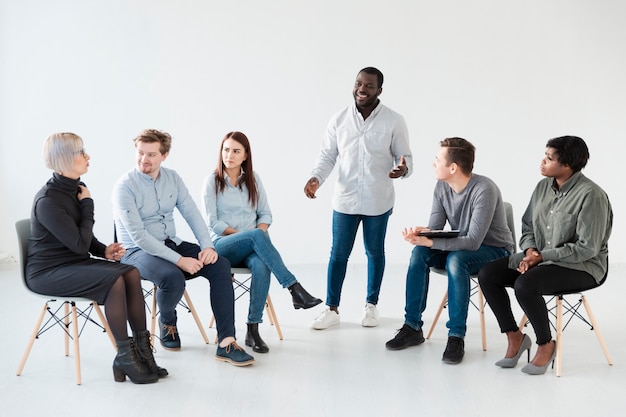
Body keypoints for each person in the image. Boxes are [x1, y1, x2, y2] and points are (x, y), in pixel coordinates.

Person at [26, 132, 166, 384]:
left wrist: (103, 250)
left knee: (130, 272)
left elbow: (78, 238)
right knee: (115, 281)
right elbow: (79, 245)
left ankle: (143, 352)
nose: (87, 156)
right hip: (47, 273)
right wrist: (88, 204)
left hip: (73, 263)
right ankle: (125, 355)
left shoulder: (74, 190)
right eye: (81, 152)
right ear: (65, 158)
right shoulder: (49, 200)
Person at [112, 128, 254, 366]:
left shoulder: (173, 178)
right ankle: (167, 321)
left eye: (151, 155)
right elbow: (138, 236)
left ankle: (226, 341)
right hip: (136, 252)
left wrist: (207, 246)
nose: (144, 160)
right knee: (172, 277)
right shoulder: (124, 186)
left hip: (170, 242)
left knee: (220, 265)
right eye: (140, 153)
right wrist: (180, 261)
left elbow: (192, 214)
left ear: (164, 156)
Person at [478, 135, 612, 375]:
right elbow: (528, 224)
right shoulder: (543, 187)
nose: (543, 161)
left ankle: (545, 344)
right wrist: (530, 251)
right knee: (488, 274)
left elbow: (587, 248)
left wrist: (541, 257)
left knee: (525, 284)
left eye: (549, 158)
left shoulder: (592, 196)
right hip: (540, 258)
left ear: (567, 165)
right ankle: (515, 337)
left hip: (582, 266)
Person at [385, 137, 514, 364]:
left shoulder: (485, 189)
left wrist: (432, 243)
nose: (434, 164)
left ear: (453, 167)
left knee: (456, 261)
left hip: (495, 251)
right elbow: (436, 228)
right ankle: (412, 326)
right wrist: (422, 234)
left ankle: (456, 336)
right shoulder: (442, 186)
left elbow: (473, 241)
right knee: (418, 254)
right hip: (462, 247)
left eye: (437, 160)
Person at [304, 66, 413, 330]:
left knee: (375, 253)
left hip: (378, 199)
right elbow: (328, 156)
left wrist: (402, 170)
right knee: (338, 254)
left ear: (379, 90)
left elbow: (405, 158)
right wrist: (316, 178)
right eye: (358, 83)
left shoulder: (394, 121)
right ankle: (331, 308)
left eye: (369, 86)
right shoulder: (339, 119)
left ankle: (371, 306)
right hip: (345, 199)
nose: (362, 89)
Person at [202, 131, 322, 353]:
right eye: (226, 149)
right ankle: (294, 288)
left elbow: (265, 215)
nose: (229, 154)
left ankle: (252, 329)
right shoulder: (212, 181)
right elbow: (213, 222)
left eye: (236, 151)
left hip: (251, 246)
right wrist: (247, 235)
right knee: (256, 235)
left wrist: (255, 235)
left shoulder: (254, 180)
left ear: (245, 155)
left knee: (260, 264)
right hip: (222, 246)